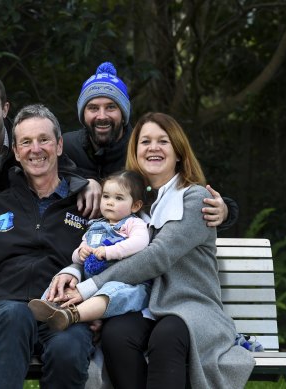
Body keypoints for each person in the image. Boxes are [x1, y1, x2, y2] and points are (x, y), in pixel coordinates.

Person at [49, 112, 255, 388]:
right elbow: (100, 244)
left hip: (190, 306)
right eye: (145, 141)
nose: (153, 147)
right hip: (145, 306)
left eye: (163, 141)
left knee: (167, 336)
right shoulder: (134, 204)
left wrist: (90, 288)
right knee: (116, 335)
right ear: (135, 151)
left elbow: (156, 257)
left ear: (179, 152)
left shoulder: (194, 199)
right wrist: (74, 270)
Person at [0, 104, 94, 389]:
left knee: (69, 349)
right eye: (25, 142)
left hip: (62, 312)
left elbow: (109, 259)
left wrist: (97, 304)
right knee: (16, 314)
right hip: (2, 308)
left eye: (44, 139)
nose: (36, 149)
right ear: (16, 152)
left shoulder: (86, 207)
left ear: (59, 146)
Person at [63, 62, 239, 228]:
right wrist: (83, 182)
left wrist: (225, 211)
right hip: (75, 244)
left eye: (111, 107)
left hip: (129, 244)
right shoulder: (67, 146)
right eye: (93, 108)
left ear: (123, 114)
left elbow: (180, 186)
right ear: (82, 113)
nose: (102, 116)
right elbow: (42, 175)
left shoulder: (141, 149)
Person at [0, 69, 101, 216]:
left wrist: (89, 183)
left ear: (5, 109)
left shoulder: (27, 138)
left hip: (26, 228)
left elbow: (66, 170)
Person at [29, 170, 151, 331]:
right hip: (89, 283)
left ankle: (70, 315)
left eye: (118, 198)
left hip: (124, 282)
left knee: (114, 292)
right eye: (106, 196)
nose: (109, 202)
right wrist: (81, 253)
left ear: (135, 205)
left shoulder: (133, 224)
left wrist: (111, 251)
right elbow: (77, 254)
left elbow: (140, 242)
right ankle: (48, 305)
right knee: (63, 281)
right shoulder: (94, 225)